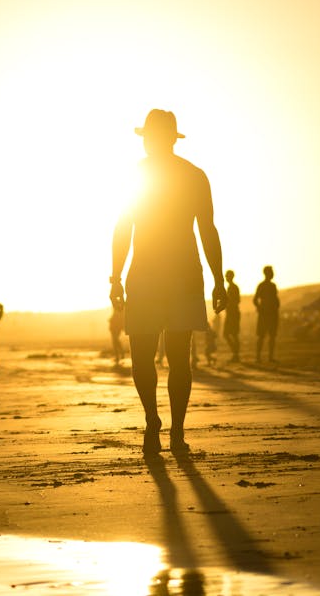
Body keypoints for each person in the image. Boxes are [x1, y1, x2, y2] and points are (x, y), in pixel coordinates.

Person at [109, 109, 226, 454]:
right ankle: (164, 427)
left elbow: (123, 230)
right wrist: (218, 280)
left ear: (163, 138)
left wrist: (116, 277)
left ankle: (162, 426)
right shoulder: (192, 176)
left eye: (149, 136)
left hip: (156, 276)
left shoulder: (142, 176)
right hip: (178, 275)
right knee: (171, 358)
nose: (147, 142)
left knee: (154, 358)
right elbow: (207, 231)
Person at [253, 265, 280, 363]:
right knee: (261, 336)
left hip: (273, 314)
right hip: (264, 314)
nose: (273, 274)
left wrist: (276, 307)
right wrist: (260, 309)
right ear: (267, 273)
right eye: (271, 272)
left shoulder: (273, 286)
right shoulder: (262, 286)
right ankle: (258, 357)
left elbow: (275, 298)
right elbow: (255, 300)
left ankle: (270, 357)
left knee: (272, 336)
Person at [223, 269, 241, 362]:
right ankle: (235, 353)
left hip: (233, 314)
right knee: (229, 334)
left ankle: (236, 354)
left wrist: (228, 304)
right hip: (230, 313)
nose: (226, 277)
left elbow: (237, 300)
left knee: (232, 334)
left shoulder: (233, 287)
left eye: (227, 276)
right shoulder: (230, 287)